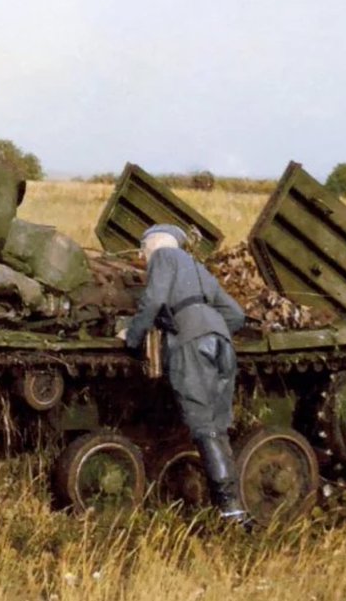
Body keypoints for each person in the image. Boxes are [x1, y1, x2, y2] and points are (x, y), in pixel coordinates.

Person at [117, 224, 250, 524]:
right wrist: (209, 327)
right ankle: (236, 508)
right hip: (222, 344)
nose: (142, 255)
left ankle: (229, 512)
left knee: (203, 428)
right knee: (218, 426)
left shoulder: (164, 257)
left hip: (193, 346)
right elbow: (236, 315)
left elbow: (152, 301)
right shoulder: (198, 268)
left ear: (156, 243)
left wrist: (133, 337)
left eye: (143, 247)